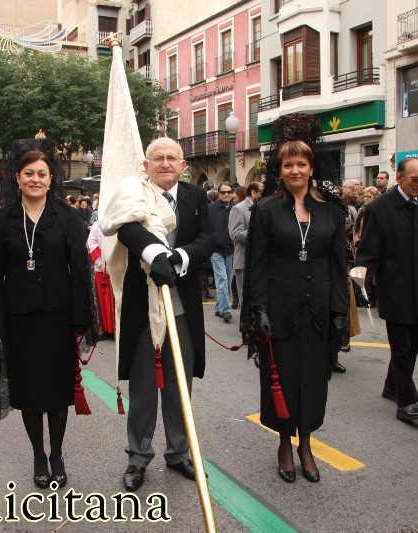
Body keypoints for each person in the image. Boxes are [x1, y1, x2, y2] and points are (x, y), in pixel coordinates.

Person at [101, 137, 214, 492]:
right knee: (145, 386)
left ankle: (179, 452)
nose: (165, 163)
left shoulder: (196, 198)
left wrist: (178, 259)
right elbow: (127, 228)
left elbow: (209, 239)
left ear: (183, 165)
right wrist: (154, 255)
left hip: (182, 307)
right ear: (146, 166)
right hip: (142, 306)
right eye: (158, 158)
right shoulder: (133, 195)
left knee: (181, 387)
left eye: (172, 158)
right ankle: (138, 457)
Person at [0, 149, 94, 489]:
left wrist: (81, 317)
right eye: (28, 173)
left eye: (41, 173)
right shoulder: (1, 219)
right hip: (19, 318)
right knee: (28, 390)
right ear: (17, 178)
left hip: (58, 317)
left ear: (50, 179)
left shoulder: (68, 217)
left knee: (58, 390)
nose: (35, 179)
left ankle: (57, 454)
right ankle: (38, 454)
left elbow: (80, 270)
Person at [245, 138, 348, 483]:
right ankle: (285, 444)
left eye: (301, 164)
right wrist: (258, 307)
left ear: (312, 168)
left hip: (318, 310)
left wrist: (339, 310)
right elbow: (256, 263)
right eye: (288, 165)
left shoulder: (331, 210)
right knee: (283, 380)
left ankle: (307, 444)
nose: (295, 171)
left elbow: (338, 265)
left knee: (313, 381)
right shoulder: (267, 209)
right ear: (280, 169)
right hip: (280, 308)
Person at [357, 157, 418, 421]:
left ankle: (392, 385)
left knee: (414, 344)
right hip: (395, 288)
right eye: (415, 179)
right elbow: (368, 252)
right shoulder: (380, 208)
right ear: (399, 178)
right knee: (401, 346)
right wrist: (362, 284)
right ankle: (406, 402)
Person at [229, 181, 263, 315]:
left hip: (260, 259)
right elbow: (235, 234)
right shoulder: (239, 209)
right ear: (253, 192)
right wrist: (259, 232)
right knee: (246, 298)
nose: (264, 193)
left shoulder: (262, 207)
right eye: (261, 191)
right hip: (244, 259)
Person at [209, 182, 236, 322]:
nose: (226, 194)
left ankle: (219, 307)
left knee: (228, 280)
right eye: (223, 192)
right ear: (219, 193)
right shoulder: (211, 208)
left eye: (229, 192)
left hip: (231, 250)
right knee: (222, 279)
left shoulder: (236, 208)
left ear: (233, 193)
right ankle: (225, 310)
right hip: (216, 250)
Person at [87, 220, 114, 340]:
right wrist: (100, 264)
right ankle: (108, 329)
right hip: (102, 269)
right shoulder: (97, 225)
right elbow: (91, 244)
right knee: (104, 300)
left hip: (119, 269)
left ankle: (120, 329)